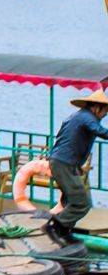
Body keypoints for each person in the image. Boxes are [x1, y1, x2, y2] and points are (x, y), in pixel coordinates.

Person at [46, 90, 108, 245]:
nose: (105, 115)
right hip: (63, 164)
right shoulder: (87, 118)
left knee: (70, 201)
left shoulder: (77, 116)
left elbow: (64, 139)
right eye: (105, 111)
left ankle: (64, 233)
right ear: (96, 107)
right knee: (82, 203)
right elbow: (99, 131)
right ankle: (55, 226)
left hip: (65, 163)